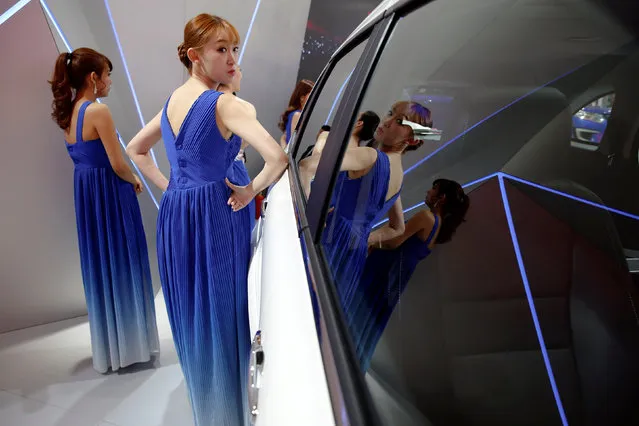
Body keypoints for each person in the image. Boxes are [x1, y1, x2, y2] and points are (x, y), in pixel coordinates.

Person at [126, 14, 287, 426]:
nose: (233, 58)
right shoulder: (224, 103)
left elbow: (135, 149)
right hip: (216, 211)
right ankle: (227, 411)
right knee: (221, 310)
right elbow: (278, 158)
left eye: (234, 48)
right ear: (195, 55)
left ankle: (207, 405)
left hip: (177, 215)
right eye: (222, 49)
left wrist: (170, 187)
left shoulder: (171, 102)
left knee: (193, 311)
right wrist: (251, 191)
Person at [48, 48, 159, 374]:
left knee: (101, 266)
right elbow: (117, 163)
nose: (110, 81)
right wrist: (136, 181)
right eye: (107, 74)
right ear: (93, 78)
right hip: (110, 194)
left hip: (87, 196)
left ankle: (113, 349)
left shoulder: (69, 112)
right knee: (123, 261)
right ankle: (132, 346)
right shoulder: (98, 112)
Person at [299, 101, 433, 316]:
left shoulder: (370, 156)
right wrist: (362, 237)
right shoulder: (398, 177)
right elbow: (397, 228)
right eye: (390, 113)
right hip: (355, 257)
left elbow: (306, 166)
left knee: (300, 306)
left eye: (399, 121)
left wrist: (310, 214)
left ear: (413, 139)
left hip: (328, 241)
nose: (387, 121)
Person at [355, 179, 469, 371]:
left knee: (356, 308)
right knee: (366, 321)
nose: (428, 191)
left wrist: (370, 243)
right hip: (393, 281)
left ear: (441, 198)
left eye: (433, 189)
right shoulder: (438, 228)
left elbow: (395, 241)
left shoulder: (427, 218)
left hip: (382, 273)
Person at [219, 65, 256, 231]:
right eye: (239, 70)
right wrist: (251, 190)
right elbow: (277, 159)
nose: (241, 75)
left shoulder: (198, 103)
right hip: (235, 177)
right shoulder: (242, 107)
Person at [312, 110, 380, 155]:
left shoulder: (328, 138)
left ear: (359, 123)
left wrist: (322, 137)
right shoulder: (358, 155)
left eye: (355, 116)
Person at [278, 79, 314, 148]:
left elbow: (284, 137)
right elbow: (294, 144)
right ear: (302, 98)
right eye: (311, 94)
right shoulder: (297, 115)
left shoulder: (294, 114)